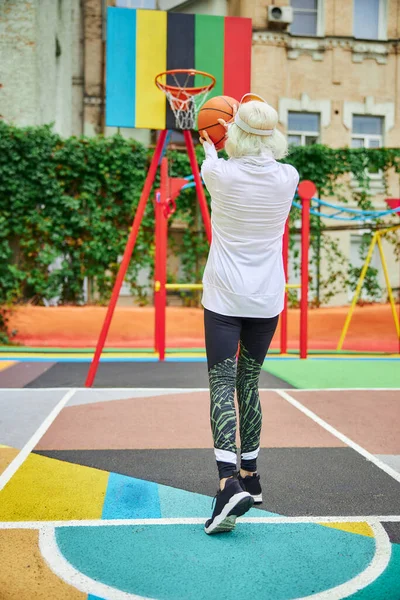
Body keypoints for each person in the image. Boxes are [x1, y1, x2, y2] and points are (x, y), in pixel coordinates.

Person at [200, 93, 299, 535]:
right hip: (266, 299)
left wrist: (211, 141)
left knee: (222, 382)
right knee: (249, 382)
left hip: (224, 297)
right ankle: (252, 477)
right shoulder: (289, 177)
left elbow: (217, 155)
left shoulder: (216, 171)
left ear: (233, 132)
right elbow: (257, 154)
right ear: (274, 136)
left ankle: (227, 485)